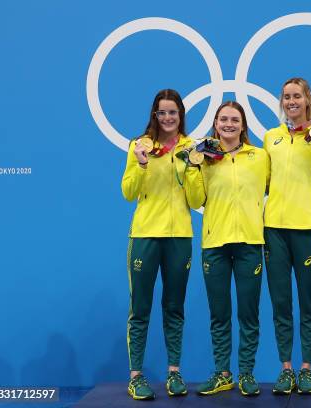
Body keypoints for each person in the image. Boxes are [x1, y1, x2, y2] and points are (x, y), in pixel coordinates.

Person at [184, 101, 270, 397]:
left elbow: (282, 188)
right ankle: (223, 373)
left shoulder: (260, 157)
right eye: (223, 119)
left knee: (249, 313)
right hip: (215, 244)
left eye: (235, 119)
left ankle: (246, 373)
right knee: (219, 313)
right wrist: (194, 166)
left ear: (243, 125)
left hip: (250, 243)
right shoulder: (205, 159)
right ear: (215, 124)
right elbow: (195, 200)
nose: (229, 124)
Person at [262, 78, 311, 394]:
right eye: (286, 97)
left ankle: (306, 368)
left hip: (307, 230)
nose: (291, 101)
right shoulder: (271, 138)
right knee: (280, 303)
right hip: (274, 231)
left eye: (297, 96)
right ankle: (285, 368)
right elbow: (261, 182)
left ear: (308, 99)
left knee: (308, 303)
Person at [121, 89, 196, 400]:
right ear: (154, 114)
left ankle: (174, 373)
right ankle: (136, 376)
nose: (167, 118)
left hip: (180, 236)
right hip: (145, 235)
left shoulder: (192, 148)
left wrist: (192, 168)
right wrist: (140, 165)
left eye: (173, 113)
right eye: (162, 113)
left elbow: (196, 199)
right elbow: (127, 192)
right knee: (140, 309)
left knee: (174, 307)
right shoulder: (139, 145)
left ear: (180, 116)